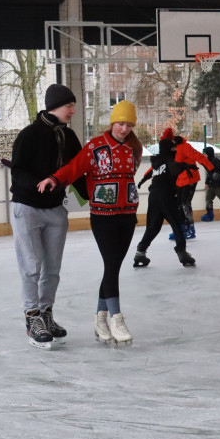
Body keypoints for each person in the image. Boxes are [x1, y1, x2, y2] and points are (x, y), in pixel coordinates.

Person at [37, 100, 142, 345]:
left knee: (112, 268)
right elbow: (74, 168)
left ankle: (100, 320)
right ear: (112, 122)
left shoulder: (133, 148)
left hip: (127, 215)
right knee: (111, 264)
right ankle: (116, 318)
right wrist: (54, 178)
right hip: (103, 217)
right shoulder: (96, 146)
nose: (124, 129)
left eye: (128, 124)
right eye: (120, 123)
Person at [9, 84, 83, 349]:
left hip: (56, 210)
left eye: (73, 106)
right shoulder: (29, 135)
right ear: (55, 106)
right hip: (27, 208)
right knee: (31, 266)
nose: (73, 111)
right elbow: (17, 173)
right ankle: (32, 318)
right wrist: (41, 183)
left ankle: (46, 314)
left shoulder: (70, 137)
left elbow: (79, 169)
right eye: (69, 106)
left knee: (52, 269)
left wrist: (94, 198)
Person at [133, 128, 195, 268]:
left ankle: (140, 252)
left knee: (153, 227)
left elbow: (158, 171)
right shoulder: (169, 160)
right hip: (166, 195)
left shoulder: (158, 161)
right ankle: (182, 251)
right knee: (177, 224)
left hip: (153, 196)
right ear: (168, 149)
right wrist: (185, 166)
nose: (175, 149)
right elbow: (173, 167)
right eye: (173, 147)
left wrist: (143, 180)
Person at [168, 138, 214, 239]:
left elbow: (198, 156)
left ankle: (190, 229)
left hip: (190, 178)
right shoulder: (171, 150)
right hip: (180, 180)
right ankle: (182, 229)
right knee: (179, 204)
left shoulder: (185, 147)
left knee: (185, 203)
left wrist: (211, 168)